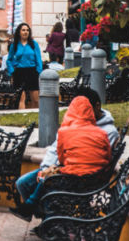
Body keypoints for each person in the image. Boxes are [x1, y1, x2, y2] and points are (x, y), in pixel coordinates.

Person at [11, 91, 115, 220]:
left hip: (74, 178)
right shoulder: (102, 134)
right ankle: (43, 216)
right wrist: (47, 168)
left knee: (48, 181)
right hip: (89, 177)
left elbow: (61, 158)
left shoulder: (70, 131)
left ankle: (44, 217)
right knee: (26, 182)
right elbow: (107, 157)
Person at [5, 22, 44, 109]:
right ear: (19, 32)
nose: (25, 32)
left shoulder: (34, 44)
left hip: (32, 72)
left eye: (27, 30)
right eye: (23, 30)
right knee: (21, 99)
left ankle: (35, 116)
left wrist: (38, 71)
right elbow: (9, 60)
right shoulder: (14, 45)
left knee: (35, 100)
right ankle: (21, 115)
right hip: (19, 73)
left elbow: (38, 60)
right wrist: (12, 71)